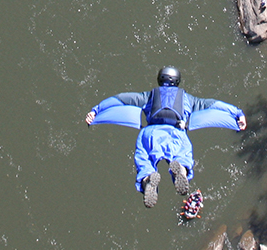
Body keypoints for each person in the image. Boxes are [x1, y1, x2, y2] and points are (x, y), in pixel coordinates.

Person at [85, 67, 245, 208]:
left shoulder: (148, 97)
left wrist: (96, 110)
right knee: (183, 155)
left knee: (144, 159)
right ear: (178, 82)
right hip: (177, 133)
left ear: (159, 80)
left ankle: (147, 178)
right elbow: (213, 104)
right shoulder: (189, 99)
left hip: (150, 134)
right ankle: (181, 170)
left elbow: (120, 99)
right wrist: (237, 113)